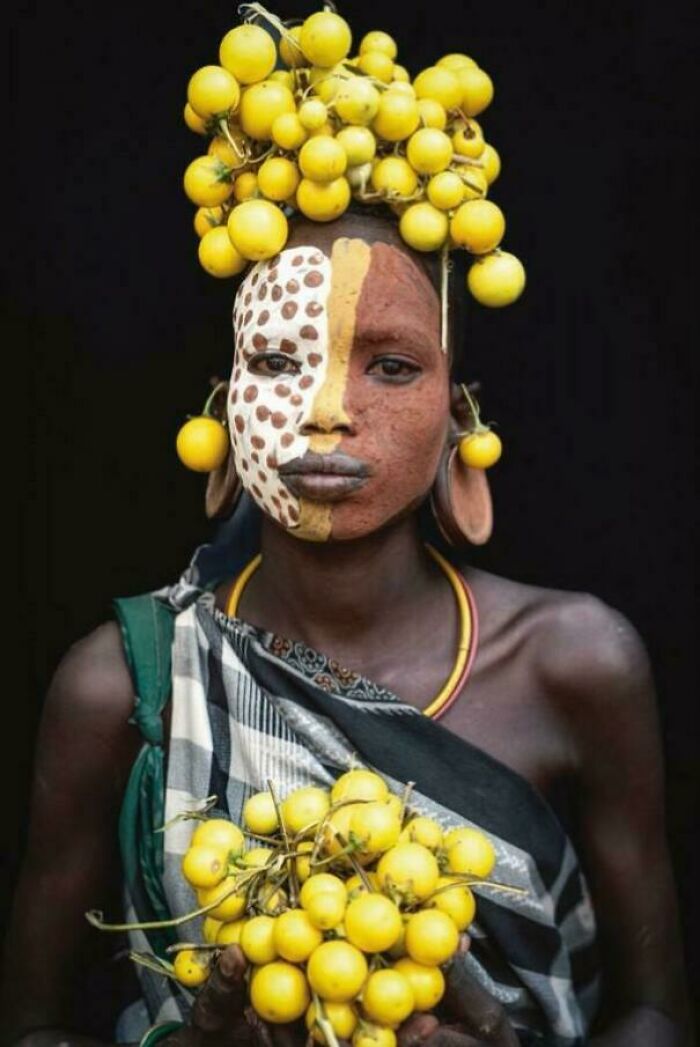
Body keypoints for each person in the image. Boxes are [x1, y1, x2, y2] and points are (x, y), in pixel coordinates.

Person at [0, 210, 691, 1047]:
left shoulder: (575, 663)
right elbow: (28, 1029)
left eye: (392, 366)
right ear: (224, 404)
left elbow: (661, 1014)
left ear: (460, 416)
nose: (327, 410)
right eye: (276, 361)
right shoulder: (125, 685)